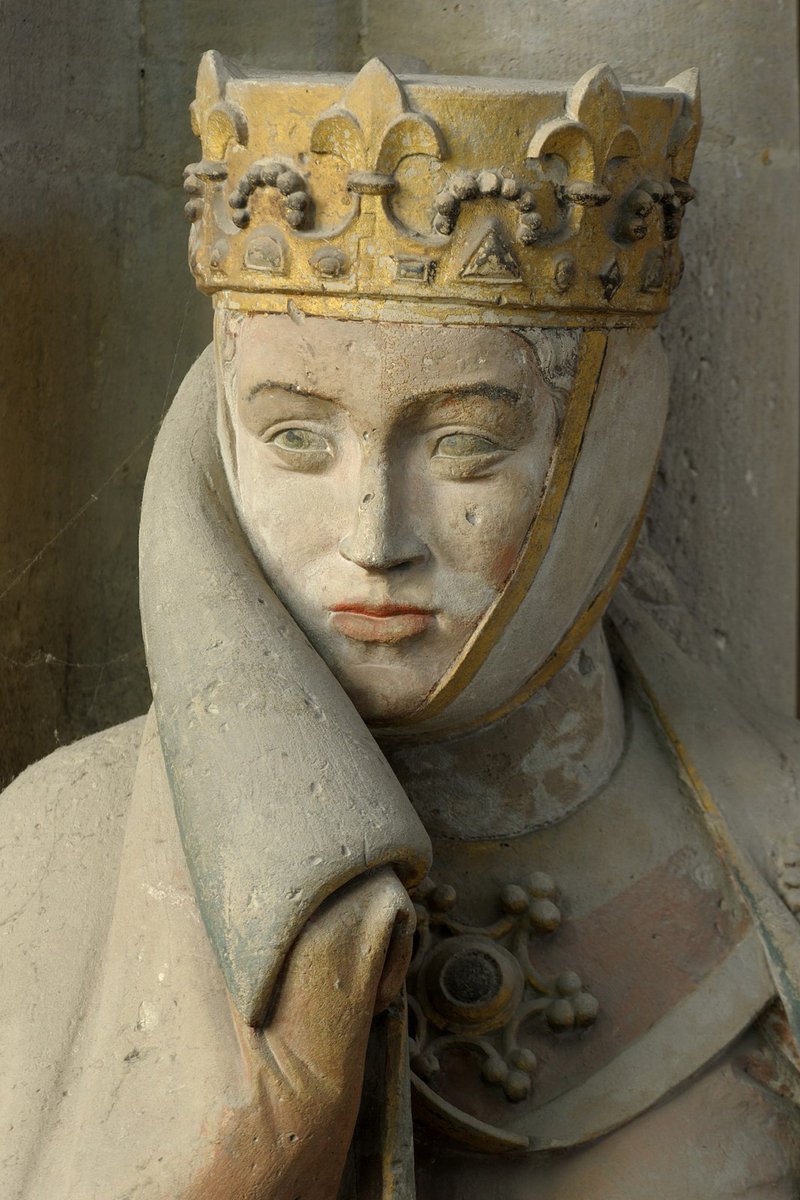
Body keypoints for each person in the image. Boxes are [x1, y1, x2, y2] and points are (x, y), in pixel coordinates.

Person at [2, 52, 799, 1200]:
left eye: (464, 444)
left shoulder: (769, 840)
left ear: (605, 442)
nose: (374, 535)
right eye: (294, 439)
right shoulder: (48, 850)